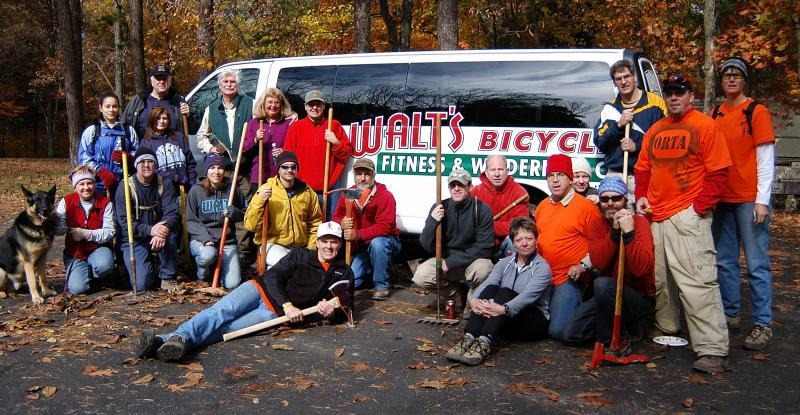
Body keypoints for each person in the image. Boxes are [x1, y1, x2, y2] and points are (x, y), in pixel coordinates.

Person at [135, 222, 354, 362]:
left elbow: (345, 305)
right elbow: (272, 276)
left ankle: (164, 342)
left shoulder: (344, 273)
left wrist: (330, 314)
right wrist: (287, 304)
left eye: (333, 242)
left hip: (273, 315)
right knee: (219, 314)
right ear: (317, 242)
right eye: (324, 241)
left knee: (226, 330)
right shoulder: (300, 255)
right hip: (259, 290)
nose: (328, 246)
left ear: (339, 245)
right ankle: (178, 336)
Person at [635, 74, 732, 374]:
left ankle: (712, 347)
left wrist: (699, 208)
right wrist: (640, 197)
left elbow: (719, 172)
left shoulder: (704, 125)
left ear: (691, 96)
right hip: (656, 214)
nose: (674, 97)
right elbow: (642, 170)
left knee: (697, 281)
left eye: (680, 92)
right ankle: (668, 329)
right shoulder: (655, 130)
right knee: (661, 281)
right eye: (669, 93)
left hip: (688, 214)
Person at [710, 56, 776, 351]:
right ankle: (730, 313)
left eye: (737, 75)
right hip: (722, 199)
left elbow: (765, 158)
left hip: (749, 200)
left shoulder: (755, 112)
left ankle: (763, 323)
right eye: (727, 75)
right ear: (721, 81)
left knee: (756, 263)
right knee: (724, 262)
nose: (732, 79)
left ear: (744, 80)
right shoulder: (715, 113)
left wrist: (762, 200)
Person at [562, 177, 655, 351]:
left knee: (602, 284)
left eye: (616, 198)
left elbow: (641, 270)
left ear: (625, 200)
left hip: (636, 297)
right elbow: (598, 261)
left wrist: (629, 234)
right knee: (571, 335)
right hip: (606, 297)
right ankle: (623, 328)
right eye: (604, 199)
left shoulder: (640, 223)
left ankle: (614, 342)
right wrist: (614, 232)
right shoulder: (597, 224)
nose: (610, 203)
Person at [445, 217, 551, 366]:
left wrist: (503, 308)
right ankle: (469, 336)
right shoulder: (505, 263)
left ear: (536, 240)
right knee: (491, 288)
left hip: (532, 321)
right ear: (513, 243)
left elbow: (528, 296)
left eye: (529, 238)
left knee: (505, 292)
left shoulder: (542, 267)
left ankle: (484, 342)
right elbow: (489, 283)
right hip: (504, 318)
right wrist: (474, 301)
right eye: (519, 239)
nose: (525, 243)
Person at [534, 154, 601, 341]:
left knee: (557, 331)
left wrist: (583, 265)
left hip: (569, 277)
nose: (555, 180)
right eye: (550, 176)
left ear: (570, 179)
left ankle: (594, 310)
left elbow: (601, 245)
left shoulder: (586, 208)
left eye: (561, 175)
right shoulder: (542, 206)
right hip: (543, 276)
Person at [412, 168, 494, 313]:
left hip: (472, 262)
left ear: (470, 187)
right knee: (421, 275)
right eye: (453, 185)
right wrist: (433, 221)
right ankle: (456, 294)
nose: (456, 189)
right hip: (444, 261)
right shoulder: (440, 207)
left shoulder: (482, 209)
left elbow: (485, 247)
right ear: (449, 187)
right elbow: (425, 245)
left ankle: (472, 300)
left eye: (461, 185)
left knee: (485, 269)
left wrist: (452, 262)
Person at [594, 60, 666, 203]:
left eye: (626, 76)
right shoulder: (610, 109)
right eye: (618, 79)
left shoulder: (655, 104)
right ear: (614, 83)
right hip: (615, 177)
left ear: (634, 77)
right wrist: (618, 126)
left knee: (642, 222)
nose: (623, 82)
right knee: (614, 222)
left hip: (644, 177)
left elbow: (664, 142)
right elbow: (600, 142)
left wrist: (637, 146)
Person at [332, 158, 400, 300]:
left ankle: (382, 286)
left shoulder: (384, 195)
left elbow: (385, 227)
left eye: (367, 174)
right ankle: (379, 270)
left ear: (373, 175)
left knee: (378, 244)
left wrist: (357, 234)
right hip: (361, 247)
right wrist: (341, 223)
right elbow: (336, 217)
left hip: (385, 241)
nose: (362, 178)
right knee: (354, 282)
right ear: (354, 175)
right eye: (359, 174)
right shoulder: (349, 193)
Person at [115, 147, 180, 293]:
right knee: (142, 285)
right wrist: (151, 230)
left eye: (150, 161)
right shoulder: (125, 187)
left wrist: (162, 230)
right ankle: (150, 266)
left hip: (161, 234)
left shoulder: (165, 183)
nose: (146, 165)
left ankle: (167, 276)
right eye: (142, 162)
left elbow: (172, 211)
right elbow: (125, 222)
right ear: (136, 165)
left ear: (155, 164)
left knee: (170, 235)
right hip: (135, 238)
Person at [283, 90, 353, 220]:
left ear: (323, 106)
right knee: (303, 222)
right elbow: (288, 157)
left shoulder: (334, 125)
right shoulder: (296, 127)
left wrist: (336, 142)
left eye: (318, 104)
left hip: (329, 185)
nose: (314, 107)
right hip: (303, 187)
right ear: (305, 106)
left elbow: (346, 154)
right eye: (311, 104)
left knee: (329, 224)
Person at [243, 151, 322, 268]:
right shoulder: (266, 190)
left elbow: (315, 222)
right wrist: (259, 200)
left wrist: (310, 248)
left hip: (300, 247)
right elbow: (251, 226)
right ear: (278, 169)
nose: (289, 170)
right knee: (285, 265)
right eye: (285, 166)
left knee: (297, 268)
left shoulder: (307, 192)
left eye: (293, 166)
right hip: (272, 244)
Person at [185, 153, 245, 289]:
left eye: (220, 168)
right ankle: (203, 277)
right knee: (208, 255)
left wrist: (234, 212)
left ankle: (219, 274)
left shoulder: (232, 189)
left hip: (227, 241)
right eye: (212, 168)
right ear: (206, 170)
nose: (216, 172)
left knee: (232, 284)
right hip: (202, 240)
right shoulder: (196, 191)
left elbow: (245, 213)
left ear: (224, 170)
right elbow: (191, 221)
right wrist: (205, 238)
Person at [55, 166, 116, 295]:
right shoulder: (66, 202)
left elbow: (110, 232)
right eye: (81, 184)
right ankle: (81, 273)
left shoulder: (105, 203)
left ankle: (95, 274)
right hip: (75, 253)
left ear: (94, 184)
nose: (86, 187)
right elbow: (59, 230)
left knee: (104, 266)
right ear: (75, 186)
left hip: (97, 248)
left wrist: (86, 234)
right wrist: (53, 220)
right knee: (78, 289)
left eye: (89, 183)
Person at [78, 92, 138, 198]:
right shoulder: (92, 131)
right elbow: (84, 158)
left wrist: (128, 157)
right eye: (107, 106)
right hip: (98, 182)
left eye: (115, 106)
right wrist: (102, 172)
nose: (111, 110)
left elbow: (138, 154)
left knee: (122, 213)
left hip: (124, 181)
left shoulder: (128, 130)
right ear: (101, 108)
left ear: (119, 108)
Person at [470, 155, 530, 260]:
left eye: (500, 169)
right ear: (486, 173)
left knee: (516, 239)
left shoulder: (519, 193)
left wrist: (487, 226)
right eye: (493, 170)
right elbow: (469, 224)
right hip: (481, 244)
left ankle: (514, 273)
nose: (497, 174)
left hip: (505, 245)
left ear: (507, 171)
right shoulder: (476, 192)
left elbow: (519, 226)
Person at [122, 64, 197, 140]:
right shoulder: (138, 101)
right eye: (158, 78)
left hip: (172, 150)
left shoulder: (179, 102)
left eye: (165, 79)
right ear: (152, 81)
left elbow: (193, 130)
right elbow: (124, 127)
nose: (161, 81)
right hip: (143, 150)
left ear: (170, 81)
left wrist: (189, 116)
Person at [242, 88, 294, 189]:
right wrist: (255, 139)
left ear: (281, 105)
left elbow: (295, 148)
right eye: (270, 102)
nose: (273, 106)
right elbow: (242, 148)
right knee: (258, 204)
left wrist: (285, 152)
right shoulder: (254, 123)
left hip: (281, 177)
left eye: (277, 102)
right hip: (258, 176)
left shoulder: (288, 124)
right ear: (263, 104)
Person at [138, 106, 197, 190]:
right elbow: (150, 168)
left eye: (164, 118)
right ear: (152, 119)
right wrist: (174, 177)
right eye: (158, 118)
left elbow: (190, 162)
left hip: (184, 188)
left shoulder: (178, 137)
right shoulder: (146, 142)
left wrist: (192, 183)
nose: (161, 121)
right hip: (162, 190)